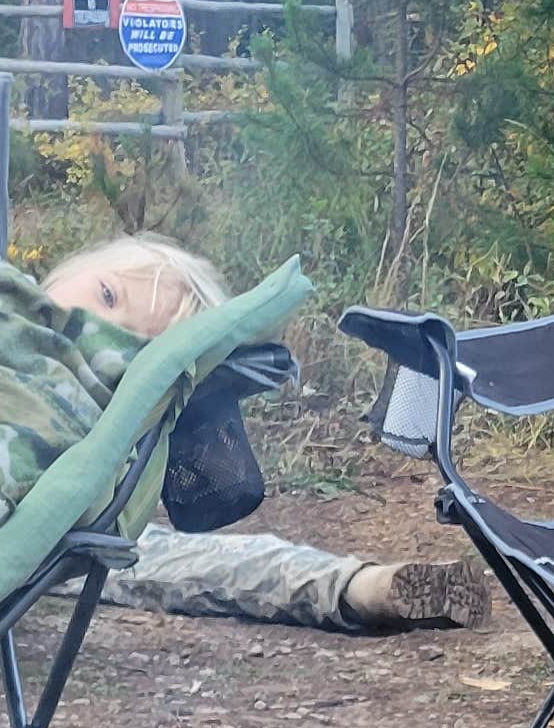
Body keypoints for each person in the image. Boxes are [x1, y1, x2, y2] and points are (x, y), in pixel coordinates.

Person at [42, 236, 486, 634]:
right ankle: (353, 587)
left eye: (134, 346)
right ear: (78, 264)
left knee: (155, 558)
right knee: (152, 558)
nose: (99, 326)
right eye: (107, 294)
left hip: (36, 531)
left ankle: (360, 587)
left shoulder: (83, 402)